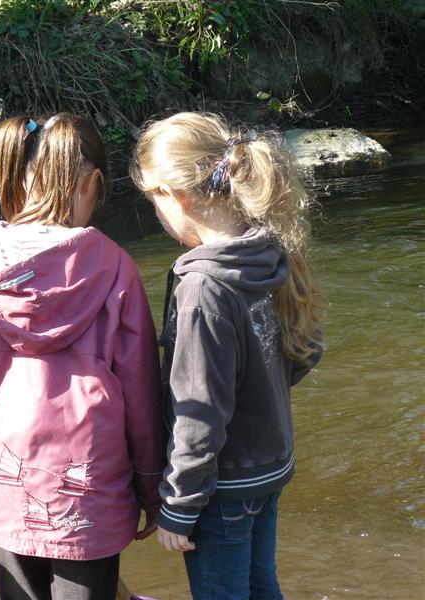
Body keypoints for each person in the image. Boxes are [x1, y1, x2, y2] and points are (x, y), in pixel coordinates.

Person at [0, 113, 164, 600]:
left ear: (16, 174)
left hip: (4, 471)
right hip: (90, 484)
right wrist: (152, 488)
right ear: (92, 182)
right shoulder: (115, 267)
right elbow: (141, 396)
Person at [130, 112, 324, 600]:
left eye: (153, 200)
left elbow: (199, 412)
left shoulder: (203, 288)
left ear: (176, 196)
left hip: (222, 487)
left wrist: (179, 505)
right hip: (269, 467)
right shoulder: (269, 254)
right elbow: (304, 353)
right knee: (261, 585)